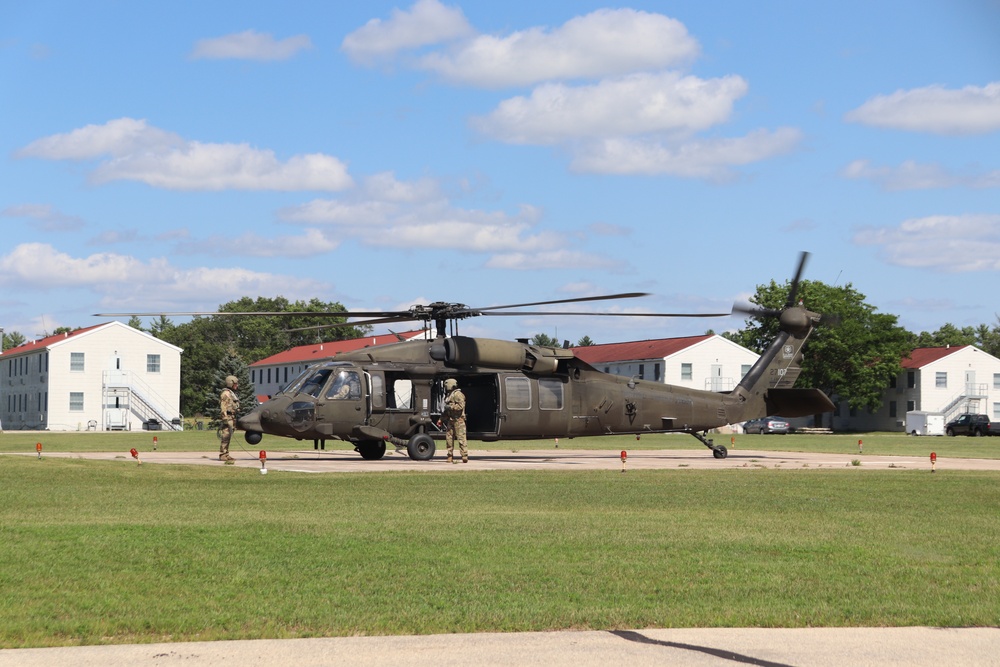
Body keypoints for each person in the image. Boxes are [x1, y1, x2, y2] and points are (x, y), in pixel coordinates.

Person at [442, 378, 467, 464]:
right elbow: (446, 410)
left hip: (459, 420)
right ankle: (450, 456)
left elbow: (461, 406)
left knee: (461, 438)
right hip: (451, 420)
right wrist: (441, 419)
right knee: (449, 438)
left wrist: (451, 407)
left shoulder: (458, 394)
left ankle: (464, 456)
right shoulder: (449, 395)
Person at [219, 375, 239, 463]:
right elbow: (223, 407)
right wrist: (225, 418)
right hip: (228, 417)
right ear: (231, 383)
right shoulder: (226, 394)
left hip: (232, 417)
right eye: (235, 384)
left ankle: (226, 454)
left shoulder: (231, 393)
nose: (237, 385)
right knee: (225, 436)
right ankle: (223, 454)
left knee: (229, 436)